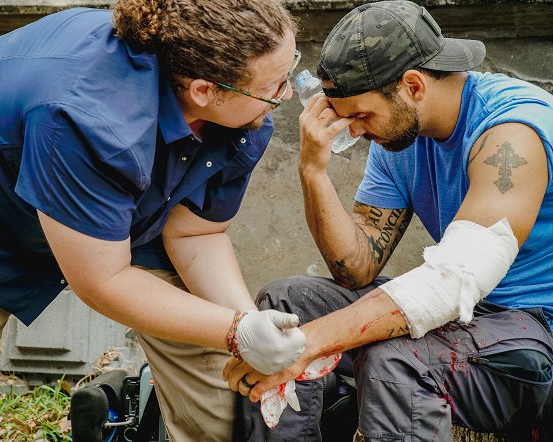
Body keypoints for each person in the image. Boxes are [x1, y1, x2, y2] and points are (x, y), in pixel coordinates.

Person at [0, 1, 308, 440]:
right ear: (204, 90)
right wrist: (236, 331)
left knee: (221, 395)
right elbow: (103, 279)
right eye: (274, 86)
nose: (286, 96)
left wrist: (248, 326)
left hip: (133, 199)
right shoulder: (87, 116)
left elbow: (194, 232)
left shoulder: (243, 116)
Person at [226, 1, 553, 441]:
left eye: (360, 115)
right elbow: (355, 268)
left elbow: (454, 279)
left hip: (532, 330)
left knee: (396, 361)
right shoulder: (399, 136)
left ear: (413, 85)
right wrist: (313, 170)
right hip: (462, 319)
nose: (354, 131)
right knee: (287, 304)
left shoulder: (513, 133)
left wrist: (305, 347)